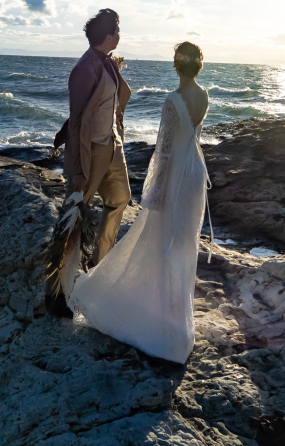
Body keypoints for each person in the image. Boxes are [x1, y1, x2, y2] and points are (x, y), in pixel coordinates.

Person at [70, 41, 211, 363]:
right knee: (183, 244)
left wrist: (154, 193)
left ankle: (155, 318)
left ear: (176, 65)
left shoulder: (172, 100)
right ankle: (177, 320)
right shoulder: (204, 95)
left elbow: (164, 151)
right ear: (198, 65)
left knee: (160, 240)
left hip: (175, 178)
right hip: (194, 175)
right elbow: (194, 139)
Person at [45, 8, 132, 317]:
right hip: (90, 151)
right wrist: (80, 169)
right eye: (117, 31)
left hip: (112, 145)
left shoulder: (108, 62)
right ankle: (56, 293)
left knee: (120, 198)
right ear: (108, 36)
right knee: (73, 217)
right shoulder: (84, 69)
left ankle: (98, 266)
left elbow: (117, 99)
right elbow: (78, 121)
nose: (120, 36)